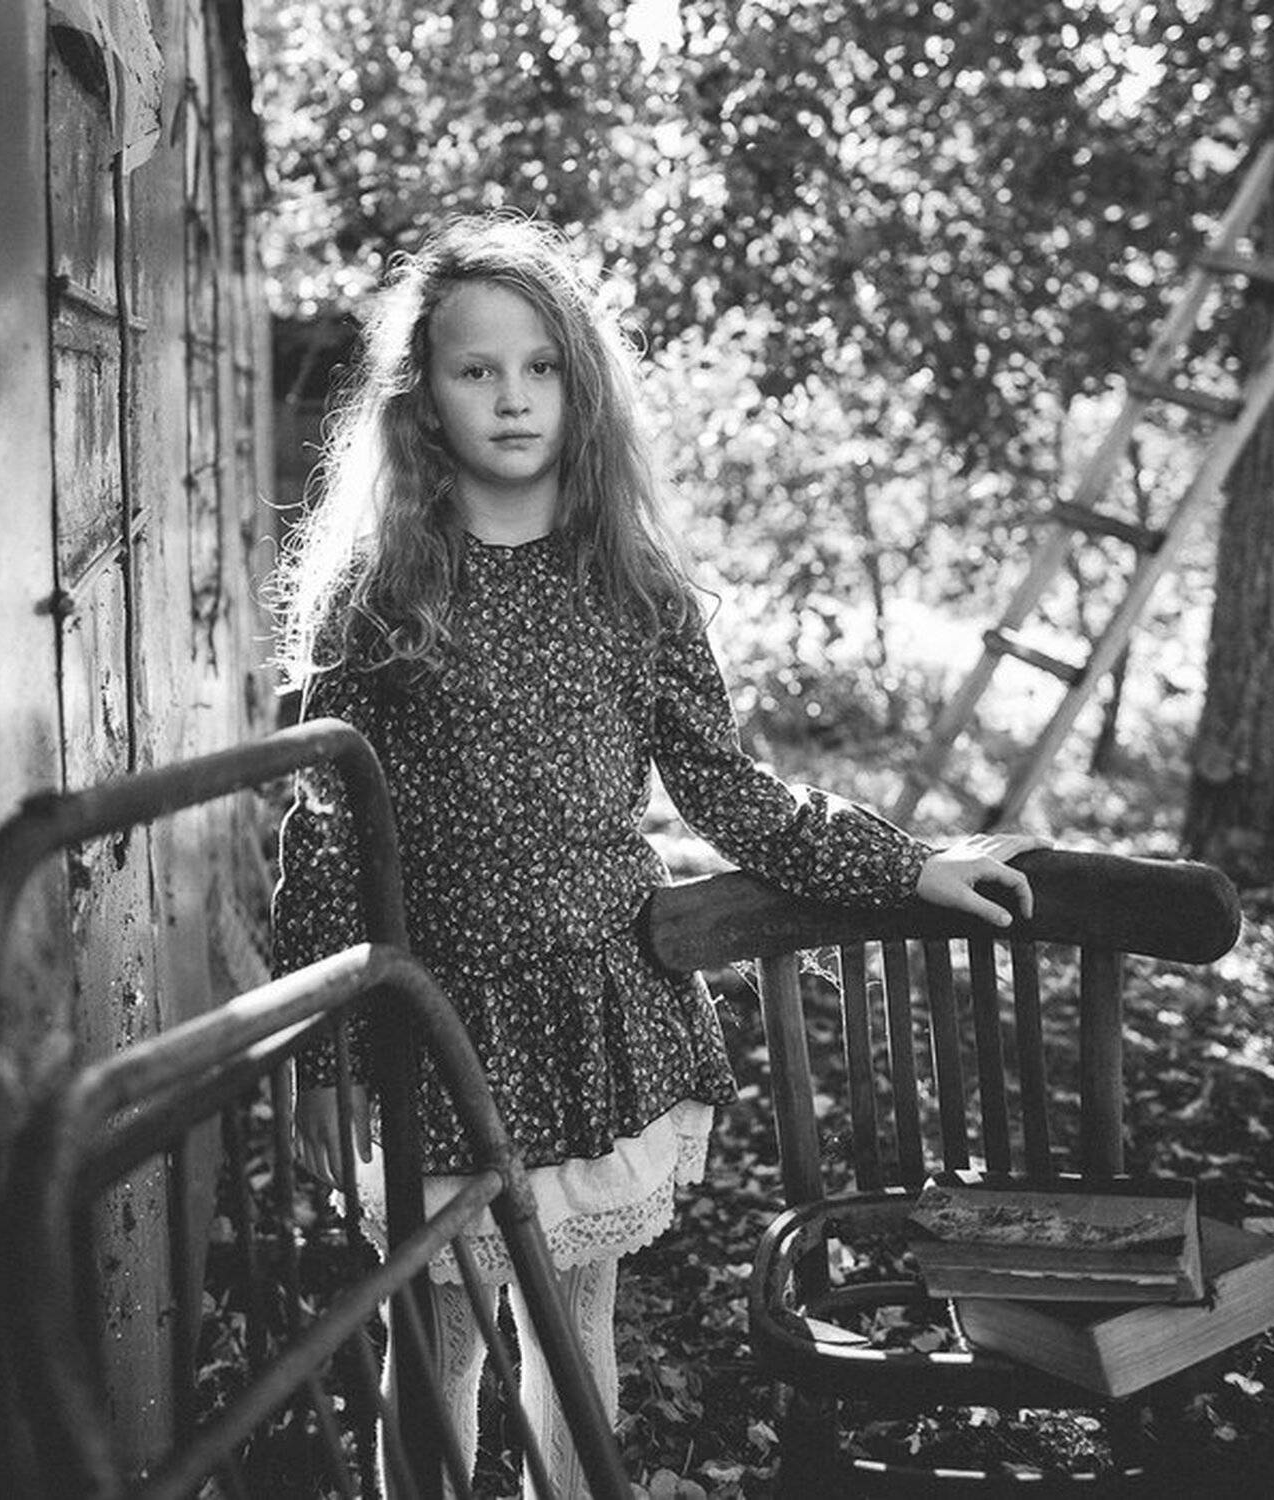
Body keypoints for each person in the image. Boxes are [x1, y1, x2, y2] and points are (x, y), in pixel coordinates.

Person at [269, 213, 1043, 1496]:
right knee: (438, 1334)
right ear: (423, 397)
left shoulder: (630, 584)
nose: (512, 397)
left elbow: (728, 790)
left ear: (581, 385)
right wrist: (325, 1050)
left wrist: (904, 865)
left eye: (541, 367)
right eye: (476, 370)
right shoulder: (380, 590)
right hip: (436, 1023)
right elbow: (327, 828)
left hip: (590, 1012)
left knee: (572, 1329)